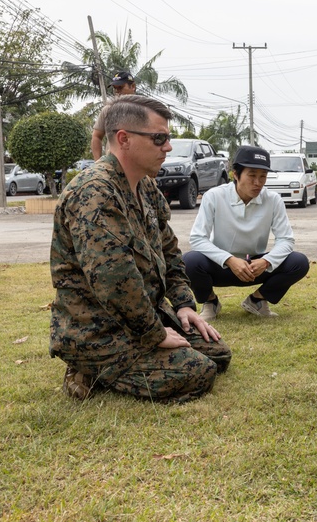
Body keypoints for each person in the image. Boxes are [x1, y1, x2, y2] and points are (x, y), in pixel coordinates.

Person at [50, 94, 231, 403]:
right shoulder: (94, 192)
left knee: (219, 354)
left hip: (142, 315)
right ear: (124, 139)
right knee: (198, 371)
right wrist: (155, 334)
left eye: (168, 138)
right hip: (98, 328)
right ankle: (87, 366)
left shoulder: (146, 187)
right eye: (159, 138)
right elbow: (113, 279)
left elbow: (170, 252)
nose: (168, 147)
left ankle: (116, 362)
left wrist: (185, 305)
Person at [183, 145, 309, 318]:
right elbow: (197, 238)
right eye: (252, 176)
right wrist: (229, 260)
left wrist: (266, 261)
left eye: (263, 176)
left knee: (299, 262)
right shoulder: (214, 196)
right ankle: (210, 301)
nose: (258, 183)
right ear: (235, 174)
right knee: (189, 261)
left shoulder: (273, 200)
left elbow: (286, 240)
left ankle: (257, 300)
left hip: (255, 266)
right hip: (222, 266)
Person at [91, 71, 138, 160]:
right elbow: (96, 136)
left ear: (133, 86)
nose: (117, 92)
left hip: (137, 164)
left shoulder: (145, 110)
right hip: (114, 165)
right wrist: (98, 163)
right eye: (115, 88)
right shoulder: (108, 110)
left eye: (120, 87)